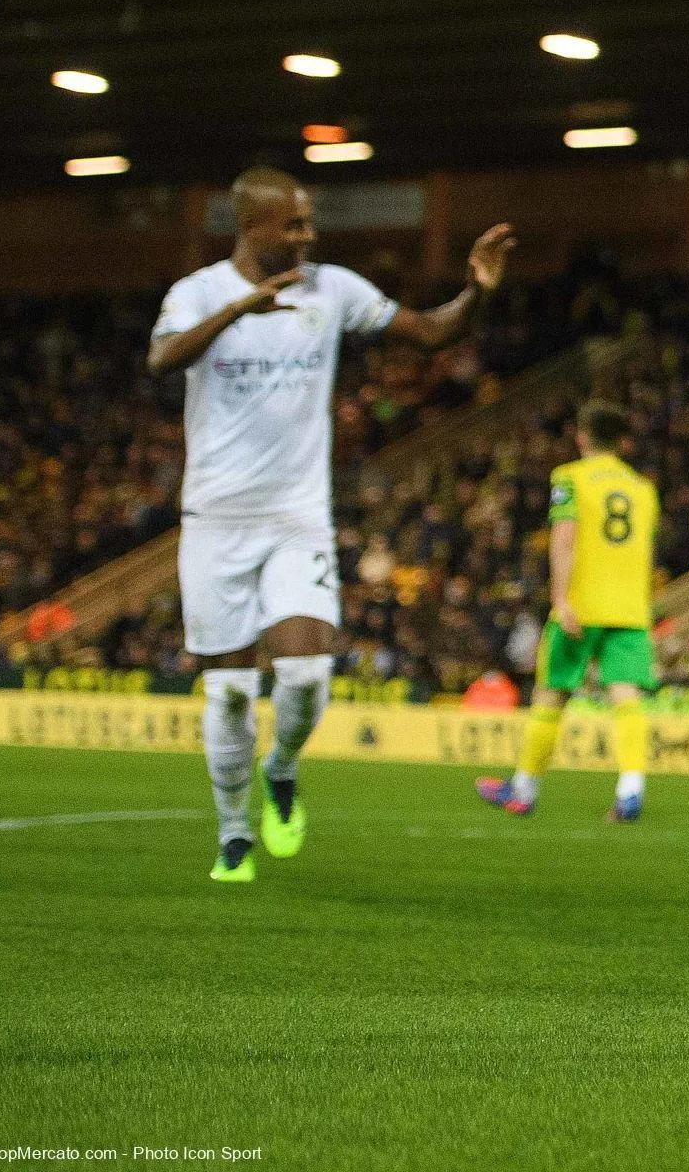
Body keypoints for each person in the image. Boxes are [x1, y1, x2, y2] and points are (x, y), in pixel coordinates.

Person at [148, 167, 513, 882]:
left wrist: (478, 294)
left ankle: (280, 770)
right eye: (292, 225)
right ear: (249, 227)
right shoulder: (196, 294)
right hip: (216, 518)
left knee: (308, 674)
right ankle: (233, 835)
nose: (306, 236)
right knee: (227, 690)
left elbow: (430, 332)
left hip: (296, 515)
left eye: (308, 223)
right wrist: (240, 311)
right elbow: (162, 358)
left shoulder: (331, 288)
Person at [476, 400, 659, 821]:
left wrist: (561, 600)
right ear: (624, 442)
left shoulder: (570, 478)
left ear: (581, 437)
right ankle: (630, 789)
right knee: (625, 694)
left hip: (582, 605)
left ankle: (523, 789)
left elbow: (564, 539)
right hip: (630, 608)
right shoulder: (643, 489)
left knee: (551, 694)